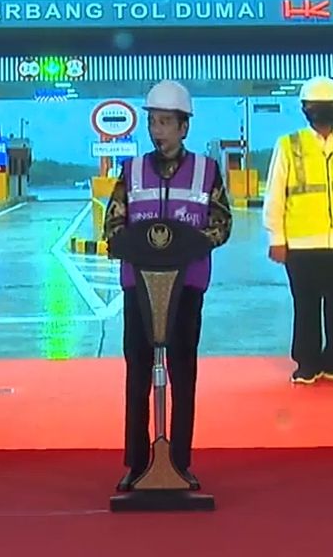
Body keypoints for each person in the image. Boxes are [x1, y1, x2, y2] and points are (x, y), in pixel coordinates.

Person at [103, 80, 233, 492]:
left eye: (165, 122)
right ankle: (137, 464)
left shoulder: (207, 172)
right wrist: (125, 241)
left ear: (184, 127)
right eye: (152, 122)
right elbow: (113, 223)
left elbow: (222, 223)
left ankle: (179, 462)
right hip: (138, 287)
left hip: (186, 288)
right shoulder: (131, 171)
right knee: (137, 376)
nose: (157, 130)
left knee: (183, 374)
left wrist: (194, 242)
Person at [262, 76, 333, 385]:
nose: (321, 110)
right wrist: (276, 238)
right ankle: (307, 363)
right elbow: (275, 193)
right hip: (301, 242)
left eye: (327, 105)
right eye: (316, 106)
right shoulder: (289, 145)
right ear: (304, 109)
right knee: (306, 305)